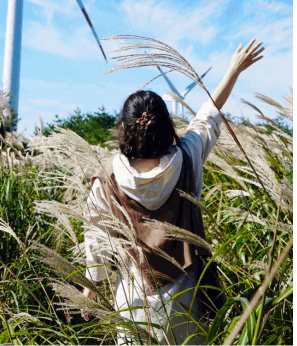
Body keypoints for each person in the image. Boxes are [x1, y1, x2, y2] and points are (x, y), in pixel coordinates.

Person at [80, 40, 264, 345]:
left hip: (134, 303)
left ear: (124, 129)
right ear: (167, 126)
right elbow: (207, 116)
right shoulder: (187, 158)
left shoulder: (106, 179)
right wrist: (233, 70)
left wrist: (92, 283)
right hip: (186, 302)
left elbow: (96, 236)